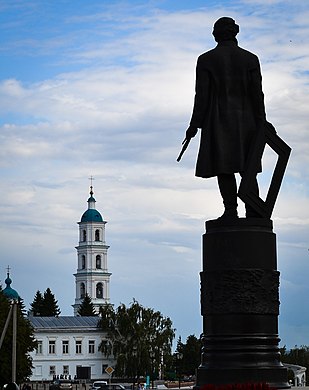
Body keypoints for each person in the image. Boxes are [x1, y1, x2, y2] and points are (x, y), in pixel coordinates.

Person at [185, 17, 273, 219]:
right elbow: (257, 94)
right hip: (247, 122)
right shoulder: (250, 59)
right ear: (235, 32)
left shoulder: (206, 59)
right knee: (247, 168)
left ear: (216, 34)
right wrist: (262, 121)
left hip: (219, 121)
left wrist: (194, 125)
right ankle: (253, 210)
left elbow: (202, 96)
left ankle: (230, 210)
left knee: (224, 168)